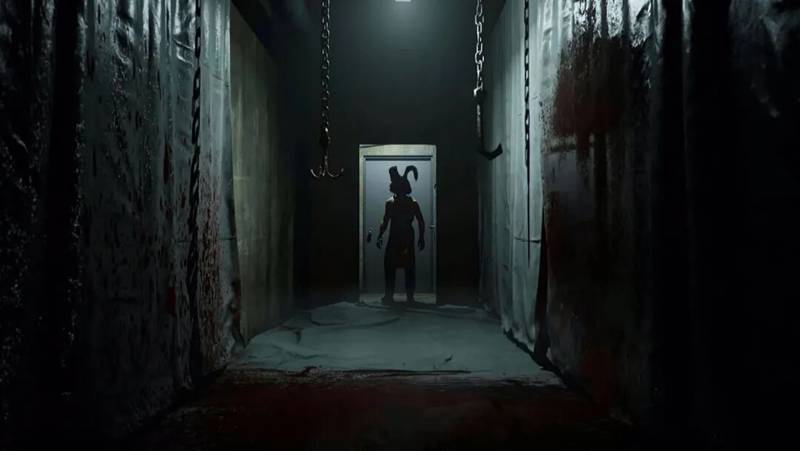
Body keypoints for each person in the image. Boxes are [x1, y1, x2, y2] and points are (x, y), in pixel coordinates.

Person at [376, 166, 425, 304]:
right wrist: (380, 235)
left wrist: (422, 237)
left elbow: (421, 221)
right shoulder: (393, 203)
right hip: (398, 236)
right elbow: (385, 221)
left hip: (404, 237)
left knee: (406, 266)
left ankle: (407, 297)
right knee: (392, 266)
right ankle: (392, 296)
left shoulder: (410, 203)